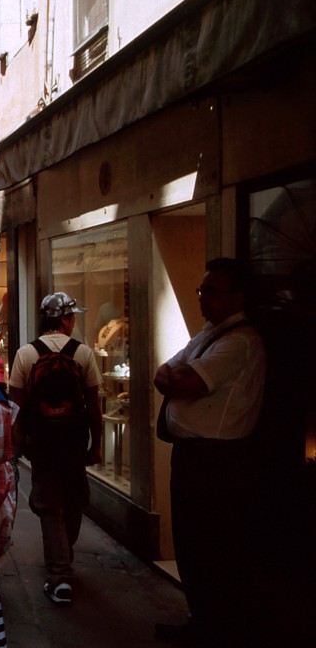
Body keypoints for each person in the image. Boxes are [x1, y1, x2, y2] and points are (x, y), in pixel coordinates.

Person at [153, 258, 266, 647]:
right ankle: (201, 621)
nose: (202, 299)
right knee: (191, 545)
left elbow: (179, 378)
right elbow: (163, 371)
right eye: (201, 291)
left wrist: (173, 377)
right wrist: (171, 376)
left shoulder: (239, 341)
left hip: (216, 464)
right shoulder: (210, 333)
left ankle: (217, 629)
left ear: (237, 296)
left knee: (211, 548)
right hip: (194, 458)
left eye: (211, 292)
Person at [8, 292, 103, 606]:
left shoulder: (25, 354)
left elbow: (16, 406)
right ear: (65, 319)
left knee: (50, 506)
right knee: (73, 500)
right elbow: (93, 407)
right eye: (73, 316)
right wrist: (97, 444)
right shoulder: (84, 354)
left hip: (41, 442)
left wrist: (18, 443)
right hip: (74, 440)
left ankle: (60, 575)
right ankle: (63, 567)